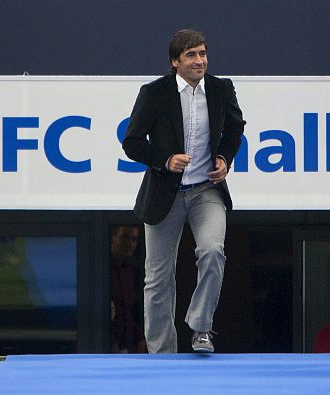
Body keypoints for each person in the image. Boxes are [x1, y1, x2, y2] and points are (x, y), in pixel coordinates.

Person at [122, 29, 245, 353]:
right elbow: (132, 143)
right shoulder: (154, 93)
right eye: (191, 55)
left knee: (212, 251)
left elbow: (235, 128)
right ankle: (162, 353)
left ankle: (201, 327)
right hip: (165, 193)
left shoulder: (221, 88)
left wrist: (224, 158)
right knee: (158, 277)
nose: (200, 61)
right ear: (175, 61)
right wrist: (165, 160)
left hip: (206, 190)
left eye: (203, 53)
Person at [109, 226, 147, 353]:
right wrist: (111, 343)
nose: (130, 244)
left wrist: (140, 337)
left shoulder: (130, 271)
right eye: (125, 237)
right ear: (113, 237)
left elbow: (130, 310)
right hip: (106, 347)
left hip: (129, 345)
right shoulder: (101, 268)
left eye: (134, 239)